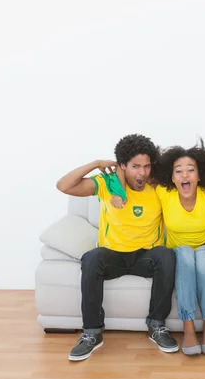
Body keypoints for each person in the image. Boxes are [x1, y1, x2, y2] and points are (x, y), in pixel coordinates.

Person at [112, 140, 205, 356]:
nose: (184, 175)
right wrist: (118, 190)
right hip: (179, 251)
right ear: (171, 177)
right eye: (178, 171)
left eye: (191, 170)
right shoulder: (163, 192)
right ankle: (188, 327)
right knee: (186, 255)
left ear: (199, 176)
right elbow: (122, 168)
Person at [56, 134, 179, 361]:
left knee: (166, 256)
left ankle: (157, 326)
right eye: (135, 167)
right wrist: (95, 164)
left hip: (145, 257)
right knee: (91, 258)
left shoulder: (159, 187)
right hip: (112, 256)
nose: (141, 173)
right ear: (122, 166)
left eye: (146, 166)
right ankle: (92, 333)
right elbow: (64, 186)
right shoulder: (107, 184)